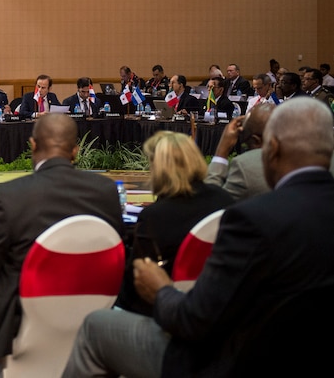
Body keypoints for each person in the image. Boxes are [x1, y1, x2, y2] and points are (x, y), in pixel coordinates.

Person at [62, 97, 334, 378]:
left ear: (272, 148)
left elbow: (195, 321)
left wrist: (161, 290)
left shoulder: (253, 220)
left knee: (95, 325)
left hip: (227, 360)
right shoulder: (245, 210)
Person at [0, 113, 123, 363]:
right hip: (95, 312)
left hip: (23, 318)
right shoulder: (106, 191)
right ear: (76, 150)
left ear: (32, 145)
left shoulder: (8, 196)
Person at [114, 131, 234, 316]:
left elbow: (134, 287)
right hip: (218, 307)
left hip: (164, 315)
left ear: (158, 168)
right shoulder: (225, 200)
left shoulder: (155, 217)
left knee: (94, 322)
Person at [204, 103, 275, 201]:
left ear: (256, 140)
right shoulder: (299, 159)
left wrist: (222, 150)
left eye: (246, 143)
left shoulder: (244, 166)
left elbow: (212, 201)